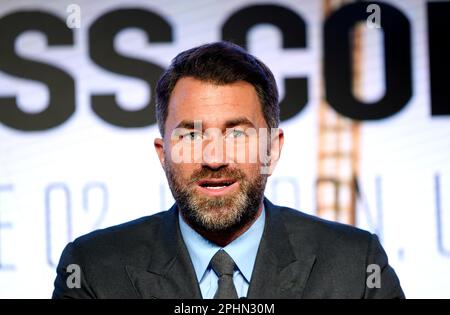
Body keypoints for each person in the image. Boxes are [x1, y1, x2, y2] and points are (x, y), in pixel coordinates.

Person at [52, 41, 404, 299]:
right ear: (164, 153)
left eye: (237, 133)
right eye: (191, 134)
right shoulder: (92, 270)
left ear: (273, 147)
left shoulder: (356, 266)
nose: (215, 157)